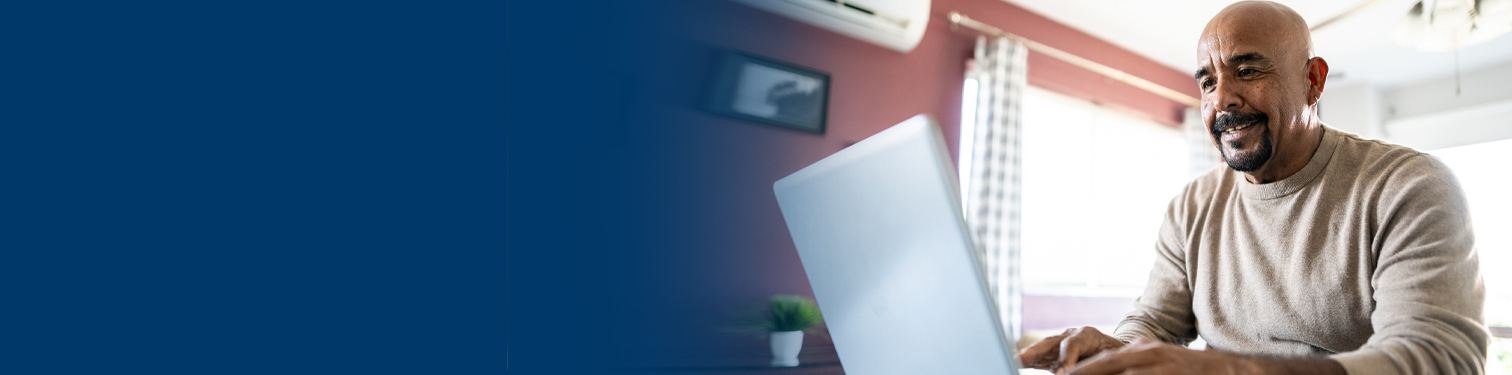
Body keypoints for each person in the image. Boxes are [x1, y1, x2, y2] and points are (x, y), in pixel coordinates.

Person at [1015, 2, 1487, 374]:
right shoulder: (1191, 207)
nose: (1221, 99)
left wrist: (1232, 370)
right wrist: (1116, 349)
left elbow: (1440, 360)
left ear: (1313, 81)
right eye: (1207, 81)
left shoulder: (1407, 186)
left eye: (1247, 71)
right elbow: (1155, 320)